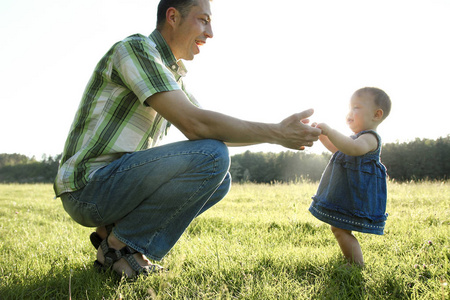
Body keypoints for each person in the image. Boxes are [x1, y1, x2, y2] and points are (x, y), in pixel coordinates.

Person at [54, 0, 321, 278]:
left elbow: (213, 131)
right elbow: (196, 124)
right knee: (212, 157)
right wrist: (277, 132)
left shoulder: (171, 76)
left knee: (220, 177)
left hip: (114, 186)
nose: (210, 33)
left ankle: (115, 240)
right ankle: (120, 247)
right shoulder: (135, 49)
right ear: (173, 17)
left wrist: (276, 135)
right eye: (203, 20)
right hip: (89, 188)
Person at [309, 87, 391, 266]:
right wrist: (324, 137)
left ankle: (355, 263)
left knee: (340, 228)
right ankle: (351, 259)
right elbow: (341, 149)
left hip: (357, 194)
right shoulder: (356, 138)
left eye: (356, 107)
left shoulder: (370, 138)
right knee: (339, 227)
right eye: (349, 107)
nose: (349, 113)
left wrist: (330, 131)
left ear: (376, 115)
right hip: (347, 191)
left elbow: (352, 149)